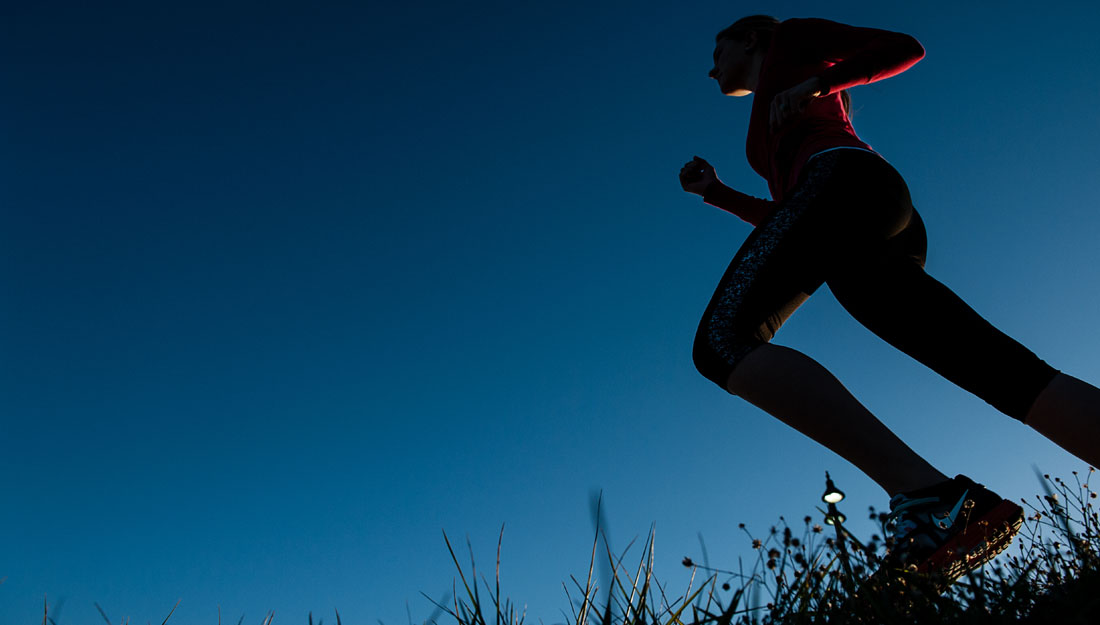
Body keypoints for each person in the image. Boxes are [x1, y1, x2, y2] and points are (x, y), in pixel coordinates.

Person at [678, 15, 1100, 582]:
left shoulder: (790, 41)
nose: (711, 68)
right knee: (999, 370)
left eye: (717, 49)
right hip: (851, 209)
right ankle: (942, 503)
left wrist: (815, 85)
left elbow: (904, 48)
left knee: (723, 342)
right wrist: (718, 194)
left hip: (845, 187)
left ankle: (928, 498)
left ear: (750, 37)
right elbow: (789, 220)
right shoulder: (774, 112)